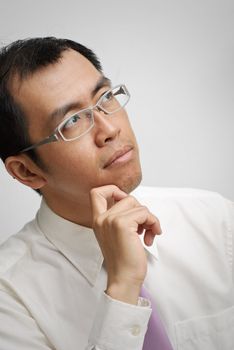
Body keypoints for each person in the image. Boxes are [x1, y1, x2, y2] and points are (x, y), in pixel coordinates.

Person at [0, 37, 233, 350]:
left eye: (105, 97)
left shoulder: (214, 221)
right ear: (26, 171)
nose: (109, 128)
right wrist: (123, 287)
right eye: (71, 121)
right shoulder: (9, 297)